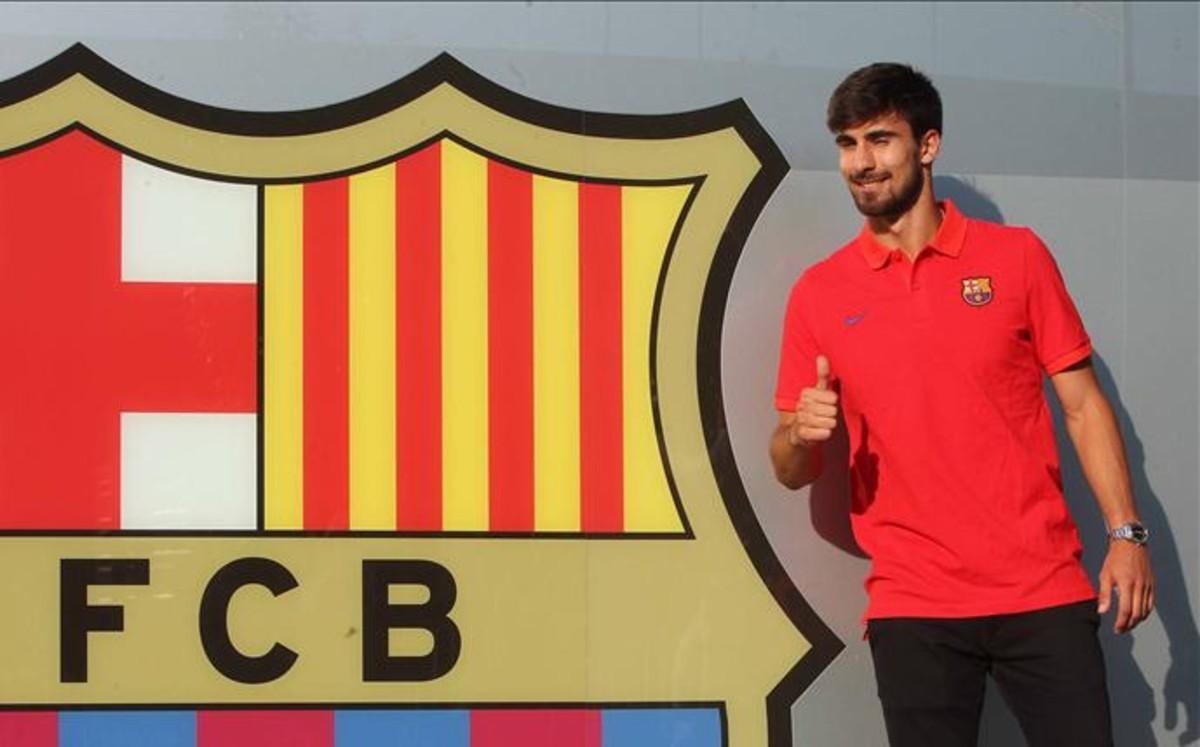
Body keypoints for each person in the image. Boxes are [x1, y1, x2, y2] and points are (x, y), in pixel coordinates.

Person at [769, 62, 1155, 747]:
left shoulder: (1017, 257)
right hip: (913, 605)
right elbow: (791, 467)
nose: (862, 162)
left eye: (880, 139)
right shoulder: (820, 292)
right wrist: (799, 433)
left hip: (1042, 591)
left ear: (928, 146)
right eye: (847, 144)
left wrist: (1126, 535)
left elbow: (1084, 406)